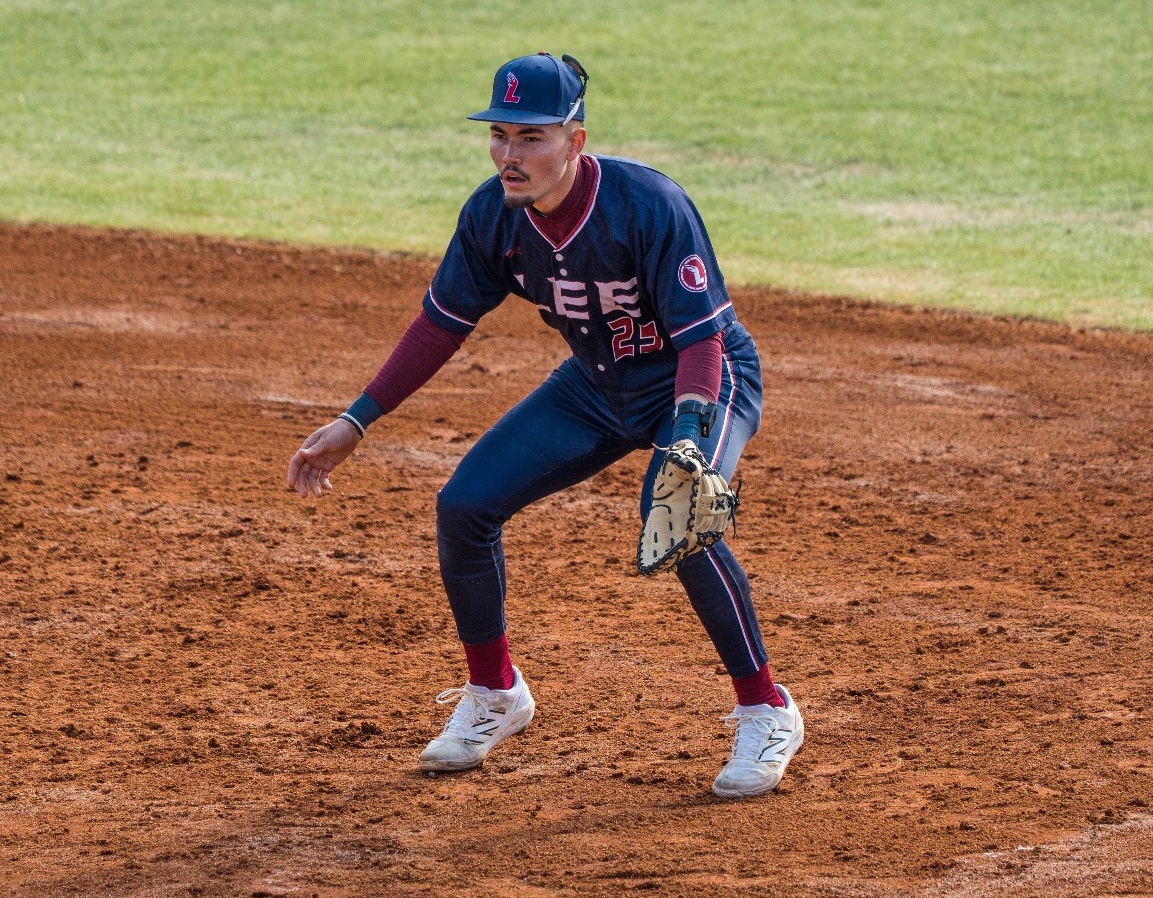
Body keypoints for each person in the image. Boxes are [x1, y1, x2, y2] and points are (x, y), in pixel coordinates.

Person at [286, 52, 801, 798]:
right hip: (595, 387)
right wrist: (356, 420)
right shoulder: (493, 217)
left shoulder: (649, 205)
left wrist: (689, 429)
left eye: (529, 138)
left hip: (703, 381)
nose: (508, 154)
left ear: (575, 142)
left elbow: (702, 338)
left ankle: (766, 708)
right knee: (465, 506)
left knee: (683, 511)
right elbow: (440, 325)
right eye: (499, 135)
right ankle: (495, 693)